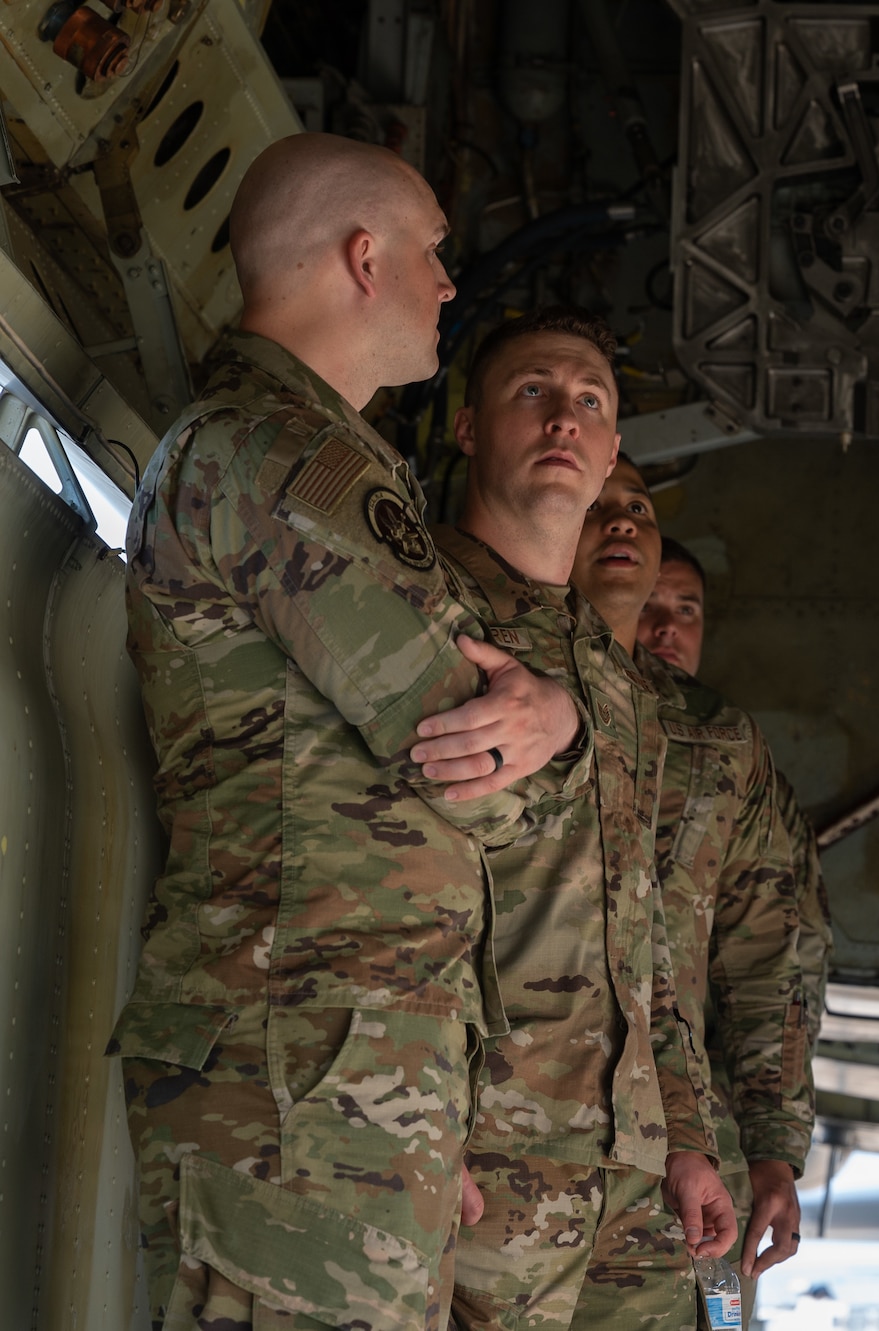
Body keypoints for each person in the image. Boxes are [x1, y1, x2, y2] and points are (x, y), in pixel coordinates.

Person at [113, 134, 588, 1331]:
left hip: (346, 1078)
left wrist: (555, 711)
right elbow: (473, 761)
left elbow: (487, 738)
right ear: (363, 257)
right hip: (298, 1077)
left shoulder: (310, 454)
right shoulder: (274, 457)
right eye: (433, 251)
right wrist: (543, 733)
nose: (447, 282)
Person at [431, 306, 737, 1330]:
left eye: (589, 402)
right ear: (468, 426)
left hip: (611, 1166)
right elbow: (372, 892)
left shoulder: (610, 676)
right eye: (531, 392)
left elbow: (641, 932)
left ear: (610, 448)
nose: (563, 418)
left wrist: (684, 1133)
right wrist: (419, 1127)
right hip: (470, 1154)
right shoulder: (419, 604)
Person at [574, 459, 831, 1315]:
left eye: (686, 609)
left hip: (685, 1150)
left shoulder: (719, 747)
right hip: (526, 1134)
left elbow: (772, 960)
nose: (664, 628)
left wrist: (771, 1145)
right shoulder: (518, 688)